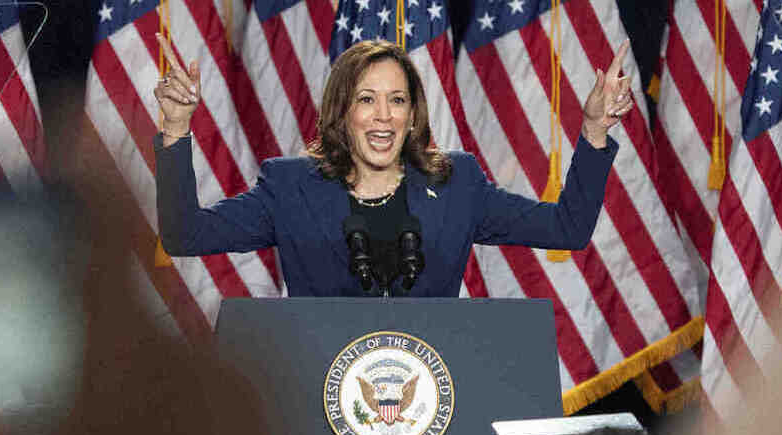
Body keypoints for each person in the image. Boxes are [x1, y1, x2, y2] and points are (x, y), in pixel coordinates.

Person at [152, 37, 635, 296]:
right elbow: (185, 235)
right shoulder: (291, 187)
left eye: (397, 100)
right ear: (342, 112)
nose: (384, 115)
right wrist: (175, 128)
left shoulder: (456, 184)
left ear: (412, 115)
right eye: (367, 100)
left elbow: (567, 229)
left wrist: (594, 130)